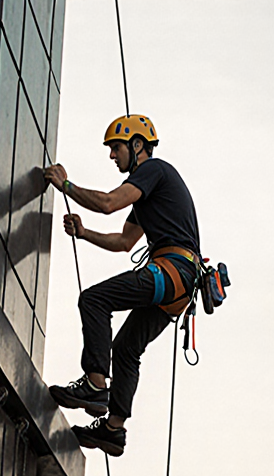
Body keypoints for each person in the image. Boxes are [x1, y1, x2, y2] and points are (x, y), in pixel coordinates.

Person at [42, 114, 200, 457]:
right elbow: (125, 241)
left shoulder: (153, 171)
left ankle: (96, 385)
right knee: (127, 348)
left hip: (172, 270)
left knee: (94, 300)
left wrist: (65, 185)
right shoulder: (149, 193)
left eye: (116, 148)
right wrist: (84, 234)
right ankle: (114, 429)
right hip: (179, 289)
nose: (112, 156)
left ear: (137, 145)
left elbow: (108, 203)